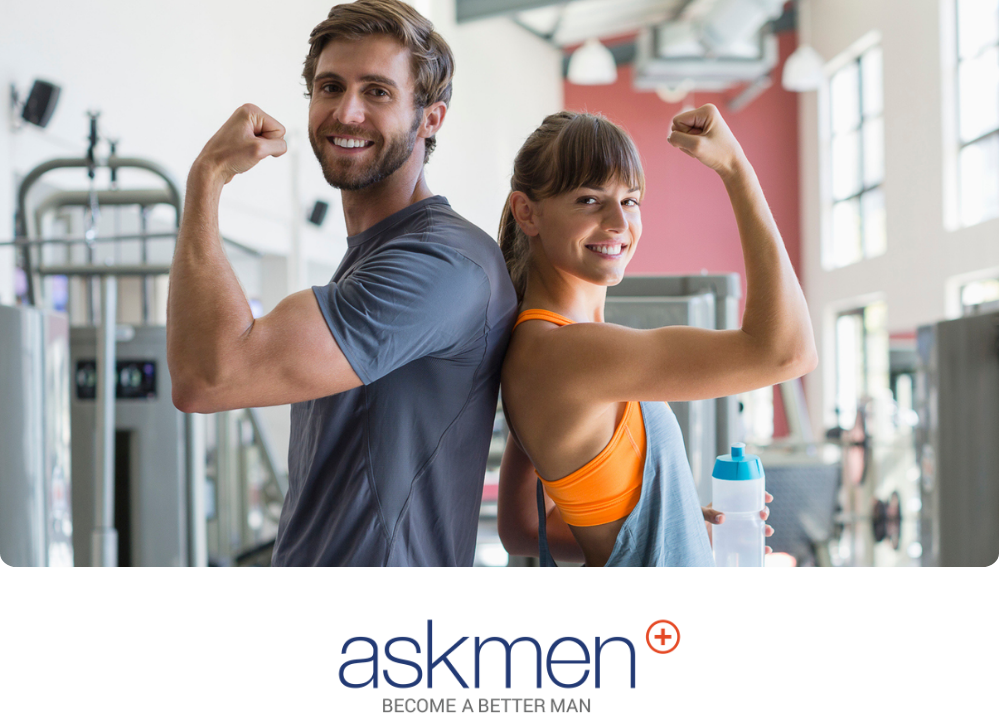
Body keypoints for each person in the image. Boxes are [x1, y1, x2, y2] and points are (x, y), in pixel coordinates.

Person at [166, 0, 517, 566]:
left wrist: (207, 178)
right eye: (330, 87)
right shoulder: (374, 255)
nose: (346, 113)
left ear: (431, 119)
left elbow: (209, 378)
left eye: (377, 92)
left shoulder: (440, 263)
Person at [496, 107, 816, 567]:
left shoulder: (548, 347)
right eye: (589, 199)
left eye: (630, 201)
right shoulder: (571, 354)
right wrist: (736, 169)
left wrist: (679, 528)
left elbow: (524, 528)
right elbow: (788, 353)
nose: (618, 223)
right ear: (527, 212)